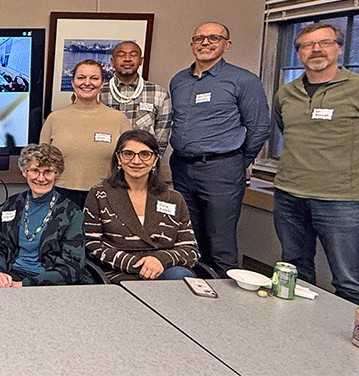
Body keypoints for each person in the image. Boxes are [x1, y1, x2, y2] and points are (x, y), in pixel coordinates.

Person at [273, 23, 359, 305]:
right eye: (307, 45)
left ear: (339, 48)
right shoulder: (286, 94)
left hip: (343, 202)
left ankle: (357, 344)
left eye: (325, 43)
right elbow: (286, 130)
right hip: (290, 196)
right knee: (294, 271)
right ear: (299, 54)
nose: (316, 50)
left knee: (349, 280)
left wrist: (358, 179)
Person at [169, 22, 270, 277]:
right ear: (192, 44)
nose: (205, 42)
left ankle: (223, 304)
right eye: (199, 38)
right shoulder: (179, 80)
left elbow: (259, 128)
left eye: (214, 37)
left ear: (227, 45)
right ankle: (194, 295)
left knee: (220, 241)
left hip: (221, 169)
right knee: (188, 236)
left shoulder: (243, 80)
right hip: (181, 167)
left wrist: (235, 161)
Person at [84, 130, 199, 282]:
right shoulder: (99, 194)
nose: (136, 161)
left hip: (164, 271)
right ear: (118, 158)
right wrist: (136, 264)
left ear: (155, 159)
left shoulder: (173, 198)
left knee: (181, 277)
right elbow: (91, 244)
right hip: (120, 273)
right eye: (128, 154)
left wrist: (160, 260)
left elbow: (190, 250)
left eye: (145, 154)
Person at [0, 143, 87, 287]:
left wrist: (24, 284)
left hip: (50, 283)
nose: (41, 178)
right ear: (24, 172)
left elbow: (72, 267)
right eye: (34, 170)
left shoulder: (72, 212)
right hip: (11, 276)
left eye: (47, 171)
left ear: (56, 174)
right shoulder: (13, 203)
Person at [40, 60, 132, 208]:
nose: (87, 83)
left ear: (102, 83)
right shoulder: (55, 118)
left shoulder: (119, 119)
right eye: (81, 77)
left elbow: (129, 162)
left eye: (94, 78)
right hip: (60, 195)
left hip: (105, 195)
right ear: (73, 82)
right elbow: (42, 162)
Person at [98, 41, 172, 156]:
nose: (127, 59)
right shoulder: (99, 93)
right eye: (121, 55)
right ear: (112, 61)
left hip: (142, 163)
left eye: (133, 55)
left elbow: (161, 138)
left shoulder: (159, 93)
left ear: (141, 61)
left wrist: (150, 162)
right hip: (105, 161)